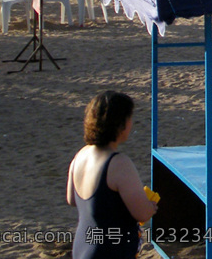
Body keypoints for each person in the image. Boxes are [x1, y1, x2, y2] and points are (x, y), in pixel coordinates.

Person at [67, 91, 157, 259]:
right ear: (120, 123)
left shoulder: (80, 155)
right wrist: (151, 205)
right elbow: (142, 214)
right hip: (109, 251)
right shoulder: (118, 163)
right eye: (130, 119)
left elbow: (72, 199)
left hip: (83, 247)